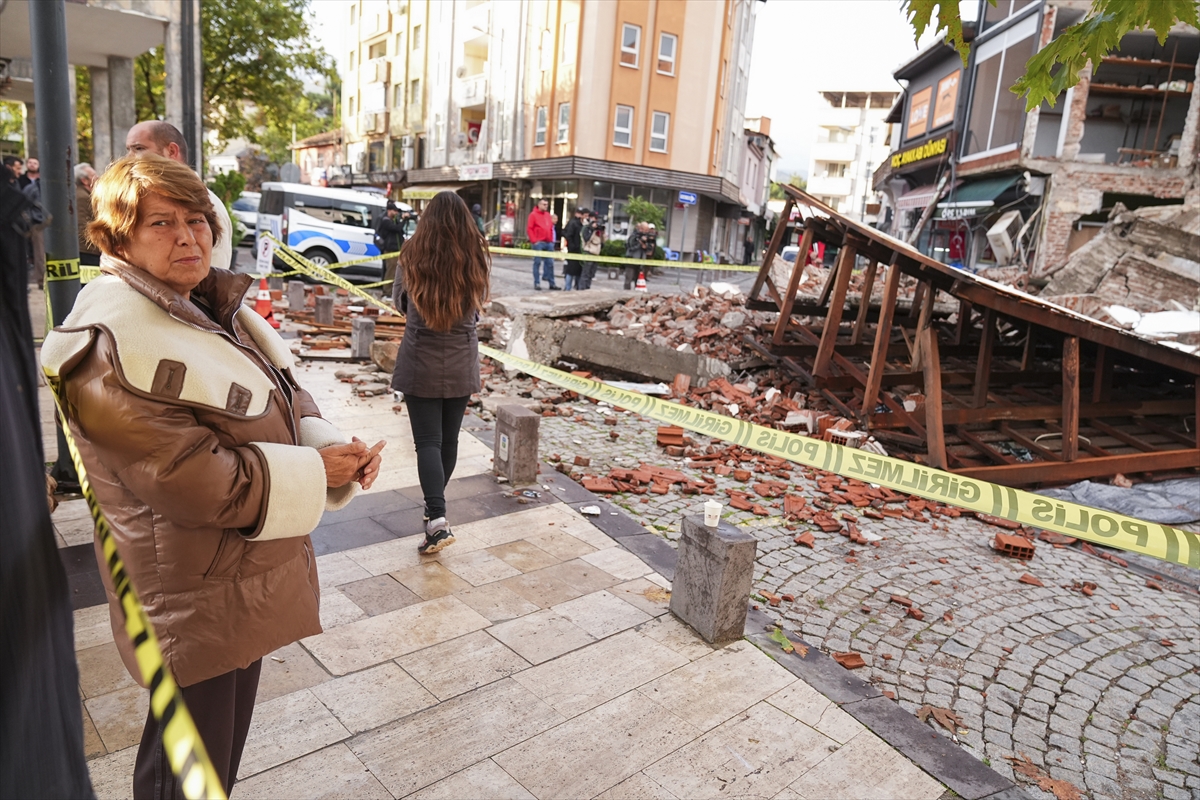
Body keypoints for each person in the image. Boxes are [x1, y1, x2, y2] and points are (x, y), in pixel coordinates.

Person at [41, 153, 384, 800]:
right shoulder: (111, 339)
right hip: (188, 592)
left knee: (214, 762)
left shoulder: (198, 302)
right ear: (118, 239)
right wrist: (315, 470)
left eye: (196, 220)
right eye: (161, 223)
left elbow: (279, 388)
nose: (188, 237)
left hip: (231, 575)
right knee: (188, 775)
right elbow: (192, 479)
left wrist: (329, 442)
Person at [391, 190, 489, 554]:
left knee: (428, 442)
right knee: (449, 441)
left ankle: (436, 518)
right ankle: (435, 511)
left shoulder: (411, 253)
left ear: (427, 219)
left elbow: (400, 302)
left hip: (421, 357)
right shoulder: (475, 254)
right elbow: (478, 307)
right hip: (461, 356)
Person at [126, 120, 234, 271]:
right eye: (129, 150)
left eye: (139, 148)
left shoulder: (206, 205)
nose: (129, 158)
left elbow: (210, 276)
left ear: (171, 151)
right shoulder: (145, 198)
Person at [22, 158, 48, 287]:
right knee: (40, 254)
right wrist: (30, 223)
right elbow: (23, 206)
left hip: (52, 225)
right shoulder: (32, 188)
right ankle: (42, 280)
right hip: (39, 224)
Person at [526, 197, 559, 291]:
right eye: (544, 204)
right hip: (539, 242)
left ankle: (552, 283)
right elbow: (529, 228)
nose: (546, 206)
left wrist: (551, 240)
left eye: (547, 205)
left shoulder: (547, 215)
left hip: (548, 242)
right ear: (539, 205)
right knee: (537, 262)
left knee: (550, 263)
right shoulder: (533, 215)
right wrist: (534, 241)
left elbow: (550, 228)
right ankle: (537, 283)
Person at [75, 163, 102, 267]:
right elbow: (82, 225)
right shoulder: (82, 197)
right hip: (88, 251)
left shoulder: (84, 194)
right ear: (84, 180)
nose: (98, 177)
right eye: (93, 175)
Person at [374, 201, 407, 285]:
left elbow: (400, 231)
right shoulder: (386, 221)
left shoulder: (394, 220)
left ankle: (391, 289)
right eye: (394, 211)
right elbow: (396, 229)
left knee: (394, 271)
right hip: (390, 249)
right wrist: (404, 220)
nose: (396, 213)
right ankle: (387, 290)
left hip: (396, 249)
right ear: (389, 210)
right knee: (390, 271)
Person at [561, 206, 586, 291]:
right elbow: (567, 234)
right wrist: (572, 246)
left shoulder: (583, 224)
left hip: (580, 250)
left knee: (578, 271)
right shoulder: (573, 223)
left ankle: (577, 287)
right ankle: (568, 288)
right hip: (573, 250)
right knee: (570, 271)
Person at [624, 221, 653, 290]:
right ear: (641, 229)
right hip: (631, 259)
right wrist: (640, 243)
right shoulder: (633, 236)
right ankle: (626, 292)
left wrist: (645, 246)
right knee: (629, 278)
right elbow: (630, 247)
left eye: (647, 230)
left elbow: (650, 247)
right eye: (645, 230)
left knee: (639, 279)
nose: (647, 231)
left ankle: (637, 292)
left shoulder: (647, 237)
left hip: (641, 260)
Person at [580, 212, 605, 289]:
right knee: (586, 273)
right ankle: (582, 289)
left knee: (591, 274)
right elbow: (586, 239)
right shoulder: (587, 228)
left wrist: (602, 234)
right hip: (589, 252)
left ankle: (587, 288)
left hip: (596, 253)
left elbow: (602, 243)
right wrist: (592, 229)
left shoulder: (598, 231)